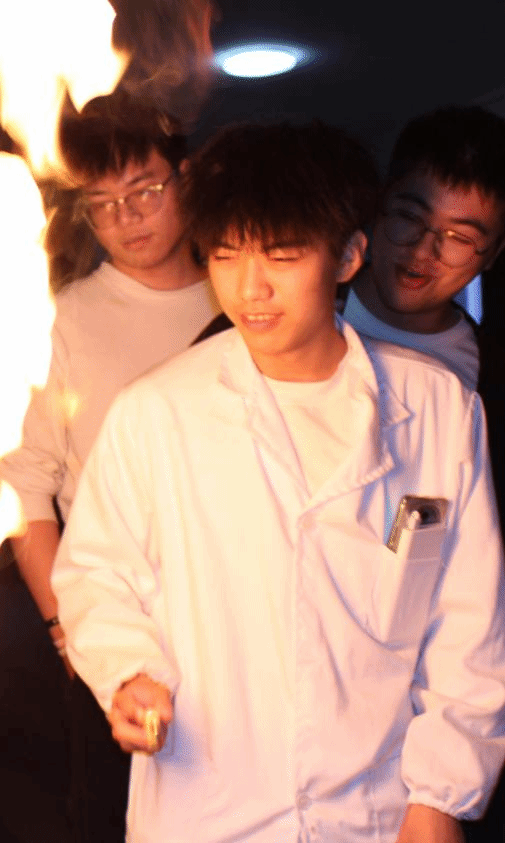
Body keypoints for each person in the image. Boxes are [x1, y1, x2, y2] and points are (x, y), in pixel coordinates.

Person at [52, 121, 505, 842]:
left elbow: (468, 624)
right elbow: (96, 574)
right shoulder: (157, 412)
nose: (250, 287)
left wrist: (440, 797)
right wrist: (128, 673)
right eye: (226, 255)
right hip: (206, 806)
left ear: (348, 255)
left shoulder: (438, 409)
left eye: (283, 256)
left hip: (376, 810)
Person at [0, 89, 219, 840]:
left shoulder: (245, 296)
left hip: (234, 622)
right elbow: (26, 488)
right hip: (122, 630)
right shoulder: (64, 319)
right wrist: (67, 632)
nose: (127, 217)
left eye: (145, 191)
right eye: (103, 203)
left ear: (185, 178)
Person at [342, 102, 505, 843]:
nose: (423, 251)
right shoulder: (284, 331)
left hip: (441, 712)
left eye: (460, 239)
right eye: (410, 217)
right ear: (378, 205)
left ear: (491, 255)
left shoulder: (484, 386)